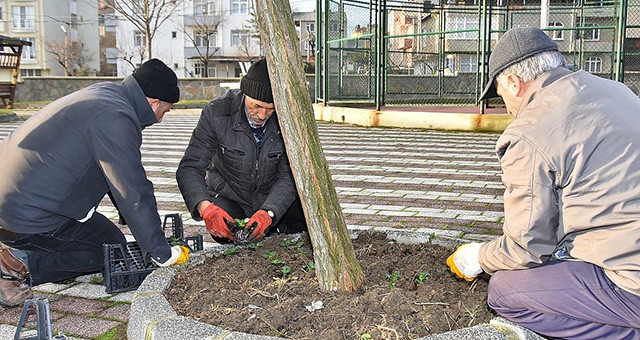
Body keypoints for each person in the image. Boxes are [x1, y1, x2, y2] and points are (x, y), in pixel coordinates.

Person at [446, 27, 640, 338]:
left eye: (500, 93)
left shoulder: (529, 131)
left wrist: (478, 258)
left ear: (514, 82)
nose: (506, 107)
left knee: (505, 291)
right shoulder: (617, 90)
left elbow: (527, 249)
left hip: (631, 283)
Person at [0, 59, 190, 307]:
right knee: (108, 251)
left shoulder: (106, 95)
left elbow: (114, 178)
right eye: (164, 112)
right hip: (25, 217)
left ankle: (34, 252)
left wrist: (130, 218)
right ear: (153, 102)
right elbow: (133, 190)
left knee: (106, 237)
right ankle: (14, 265)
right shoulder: (116, 117)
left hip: (16, 200)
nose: (161, 120)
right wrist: (160, 253)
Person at [177, 58, 307, 243]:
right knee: (224, 225)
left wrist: (269, 212)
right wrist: (205, 208)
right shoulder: (217, 113)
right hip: (231, 195)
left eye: (270, 109)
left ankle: (279, 238)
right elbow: (190, 167)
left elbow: (288, 176)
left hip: (269, 195)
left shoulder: (287, 119)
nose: (262, 116)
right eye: (256, 106)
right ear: (245, 93)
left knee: (301, 213)